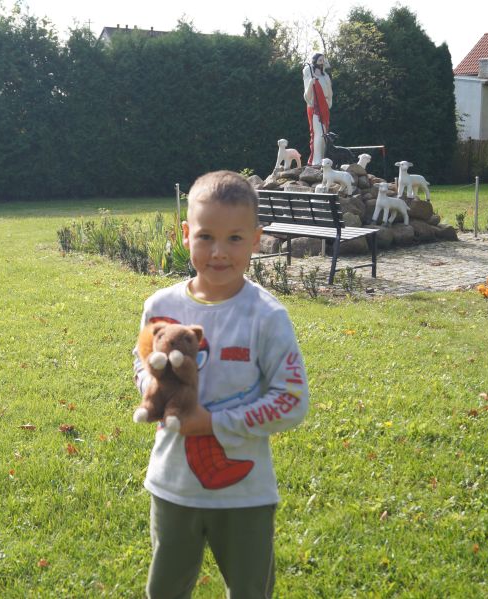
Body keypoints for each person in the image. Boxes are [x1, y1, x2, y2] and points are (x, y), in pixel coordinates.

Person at [133, 171, 309, 598]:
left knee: (250, 590)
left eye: (234, 238)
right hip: (173, 486)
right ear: (185, 233)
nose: (218, 252)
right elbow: (141, 362)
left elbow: (291, 400)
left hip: (245, 496)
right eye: (206, 236)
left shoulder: (267, 316)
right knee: (165, 590)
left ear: (256, 240)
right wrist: (153, 389)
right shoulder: (160, 306)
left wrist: (211, 423)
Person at [302, 52, 333, 166]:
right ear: (315, 62)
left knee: (324, 134)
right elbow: (307, 95)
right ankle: (316, 160)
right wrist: (311, 83)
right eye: (320, 60)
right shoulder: (310, 75)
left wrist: (328, 102)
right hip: (315, 106)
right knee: (318, 133)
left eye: (323, 60)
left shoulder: (325, 76)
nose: (322, 63)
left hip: (324, 105)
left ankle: (322, 157)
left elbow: (329, 91)